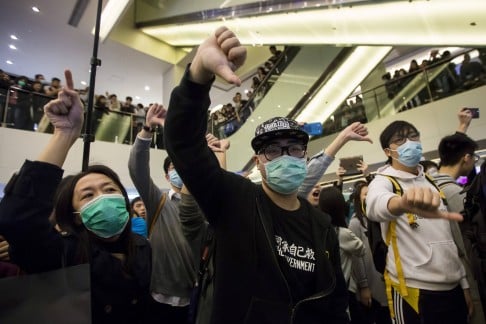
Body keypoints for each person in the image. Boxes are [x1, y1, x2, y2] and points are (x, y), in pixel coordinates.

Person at [164, 26, 349, 324]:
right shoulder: (233, 199)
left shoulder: (321, 225)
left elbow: (335, 300)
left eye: (294, 148)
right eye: (273, 150)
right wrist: (199, 73)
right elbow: (183, 143)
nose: (285, 156)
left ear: (305, 154)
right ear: (258, 162)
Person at [0, 70, 152, 323]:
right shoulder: (65, 254)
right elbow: (19, 219)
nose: (103, 198)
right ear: (77, 217)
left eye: (110, 189)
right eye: (88, 195)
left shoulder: (142, 246)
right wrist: (65, 134)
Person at [365, 120, 470, 324]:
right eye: (400, 139)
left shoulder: (430, 181)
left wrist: (464, 283)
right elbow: (375, 206)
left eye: (413, 136)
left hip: (453, 286)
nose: (409, 143)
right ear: (388, 151)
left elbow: (448, 237)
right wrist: (401, 203)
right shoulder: (384, 181)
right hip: (414, 290)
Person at [128, 105, 195, 323]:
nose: (180, 171)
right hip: (158, 296)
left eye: (183, 166)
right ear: (167, 177)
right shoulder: (159, 201)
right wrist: (147, 129)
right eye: (174, 168)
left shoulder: (204, 206)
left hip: (196, 297)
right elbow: (137, 168)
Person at [318, 187, 366, 324]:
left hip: (326, 290)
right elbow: (361, 250)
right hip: (344, 289)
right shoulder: (343, 233)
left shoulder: (319, 231)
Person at [348, 182, 392, 324]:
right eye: (365, 194)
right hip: (372, 285)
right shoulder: (355, 223)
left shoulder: (382, 218)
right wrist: (364, 286)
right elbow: (356, 257)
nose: (369, 197)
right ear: (358, 199)